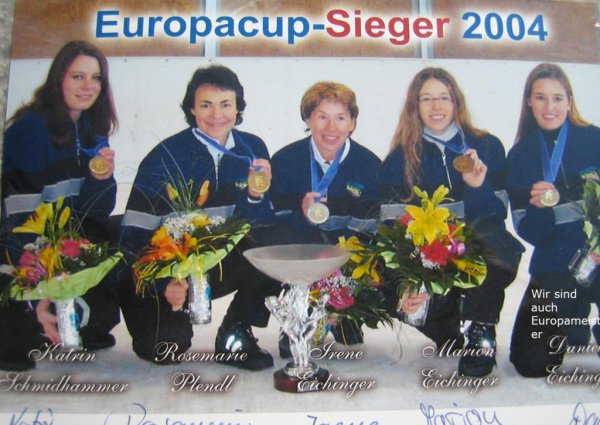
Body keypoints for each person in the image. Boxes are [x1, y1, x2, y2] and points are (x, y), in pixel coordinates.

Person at [118, 64, 277, 370]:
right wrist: (163, 282)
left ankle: (236, 328)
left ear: (238, 108)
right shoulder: (164, 155)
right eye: (206, 105)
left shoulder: (253, 148)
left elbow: (261, 226)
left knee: (276, 241)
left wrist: (255, 196)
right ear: (192, 108)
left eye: (225, 104)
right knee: (164, 348)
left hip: (215, 267)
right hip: (167, 271)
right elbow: (133, 236)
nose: (216, 115)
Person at [378, 67, 524, 377]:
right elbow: (391, 231)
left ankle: (480, 329)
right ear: (415, 106)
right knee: (383, 280)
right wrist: (407, 284)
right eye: (426, 99)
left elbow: (497, 214)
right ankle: (448, 327)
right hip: (429, 256)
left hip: (475, 248)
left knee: (495, 245)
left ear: (456, 102)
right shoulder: (398, 159)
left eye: (444, 97)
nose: (436, 106)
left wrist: (476, 187)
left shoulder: (488, 146)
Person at [0, 40, 120, 371]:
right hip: (17, 247)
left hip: (57, 244)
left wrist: (101, 179)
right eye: (77, 76)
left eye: (95, 78)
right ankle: (28, 317)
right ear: (58, 80)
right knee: (16, 349)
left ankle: (70, 316)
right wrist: (41, 288)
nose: (88, 86)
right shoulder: (30, 130)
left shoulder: (91, 129)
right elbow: (17, 224)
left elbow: (95, 214)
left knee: (121, 235)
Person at [270, 81, 382, 354]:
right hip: (302, 258)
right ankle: (297, 318)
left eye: (340, 118)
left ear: (352, 123)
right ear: (307, 119)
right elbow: (273, 227)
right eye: (322, 117)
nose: (331, 128)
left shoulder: (370, 165)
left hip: (347, 261)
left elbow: (373, 230)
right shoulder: (284, 160)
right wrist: (303, 216)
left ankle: (345, 313)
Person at [506, 63, 600, 377]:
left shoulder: (594, 139)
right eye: (541, 97)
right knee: (531, 363)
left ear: (570, 102)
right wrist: (541, 207)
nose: (550, 107)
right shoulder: (520, 156)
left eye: (557, 98)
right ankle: (573, 322)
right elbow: (531, 233)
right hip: (555, 265)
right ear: (529, 102)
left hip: (598, 258)